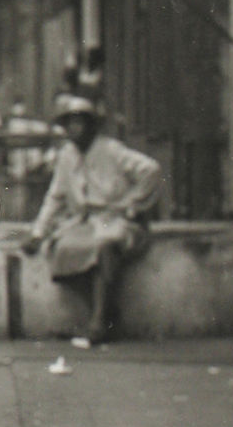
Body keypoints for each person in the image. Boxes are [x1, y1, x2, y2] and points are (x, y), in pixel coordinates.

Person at [22, 95, 162, 347]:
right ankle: (105, 310)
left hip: (116, 219)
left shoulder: (111, 150)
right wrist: (38, 232)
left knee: (106, 244)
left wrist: (131, 203)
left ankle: (98, 322)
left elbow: (150, 170)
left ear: (91, 125)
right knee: (62, 249)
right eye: (69, 124)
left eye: (79, 123)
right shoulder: (67, 156)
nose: (73, 130)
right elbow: (55, 197)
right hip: (84, 222)